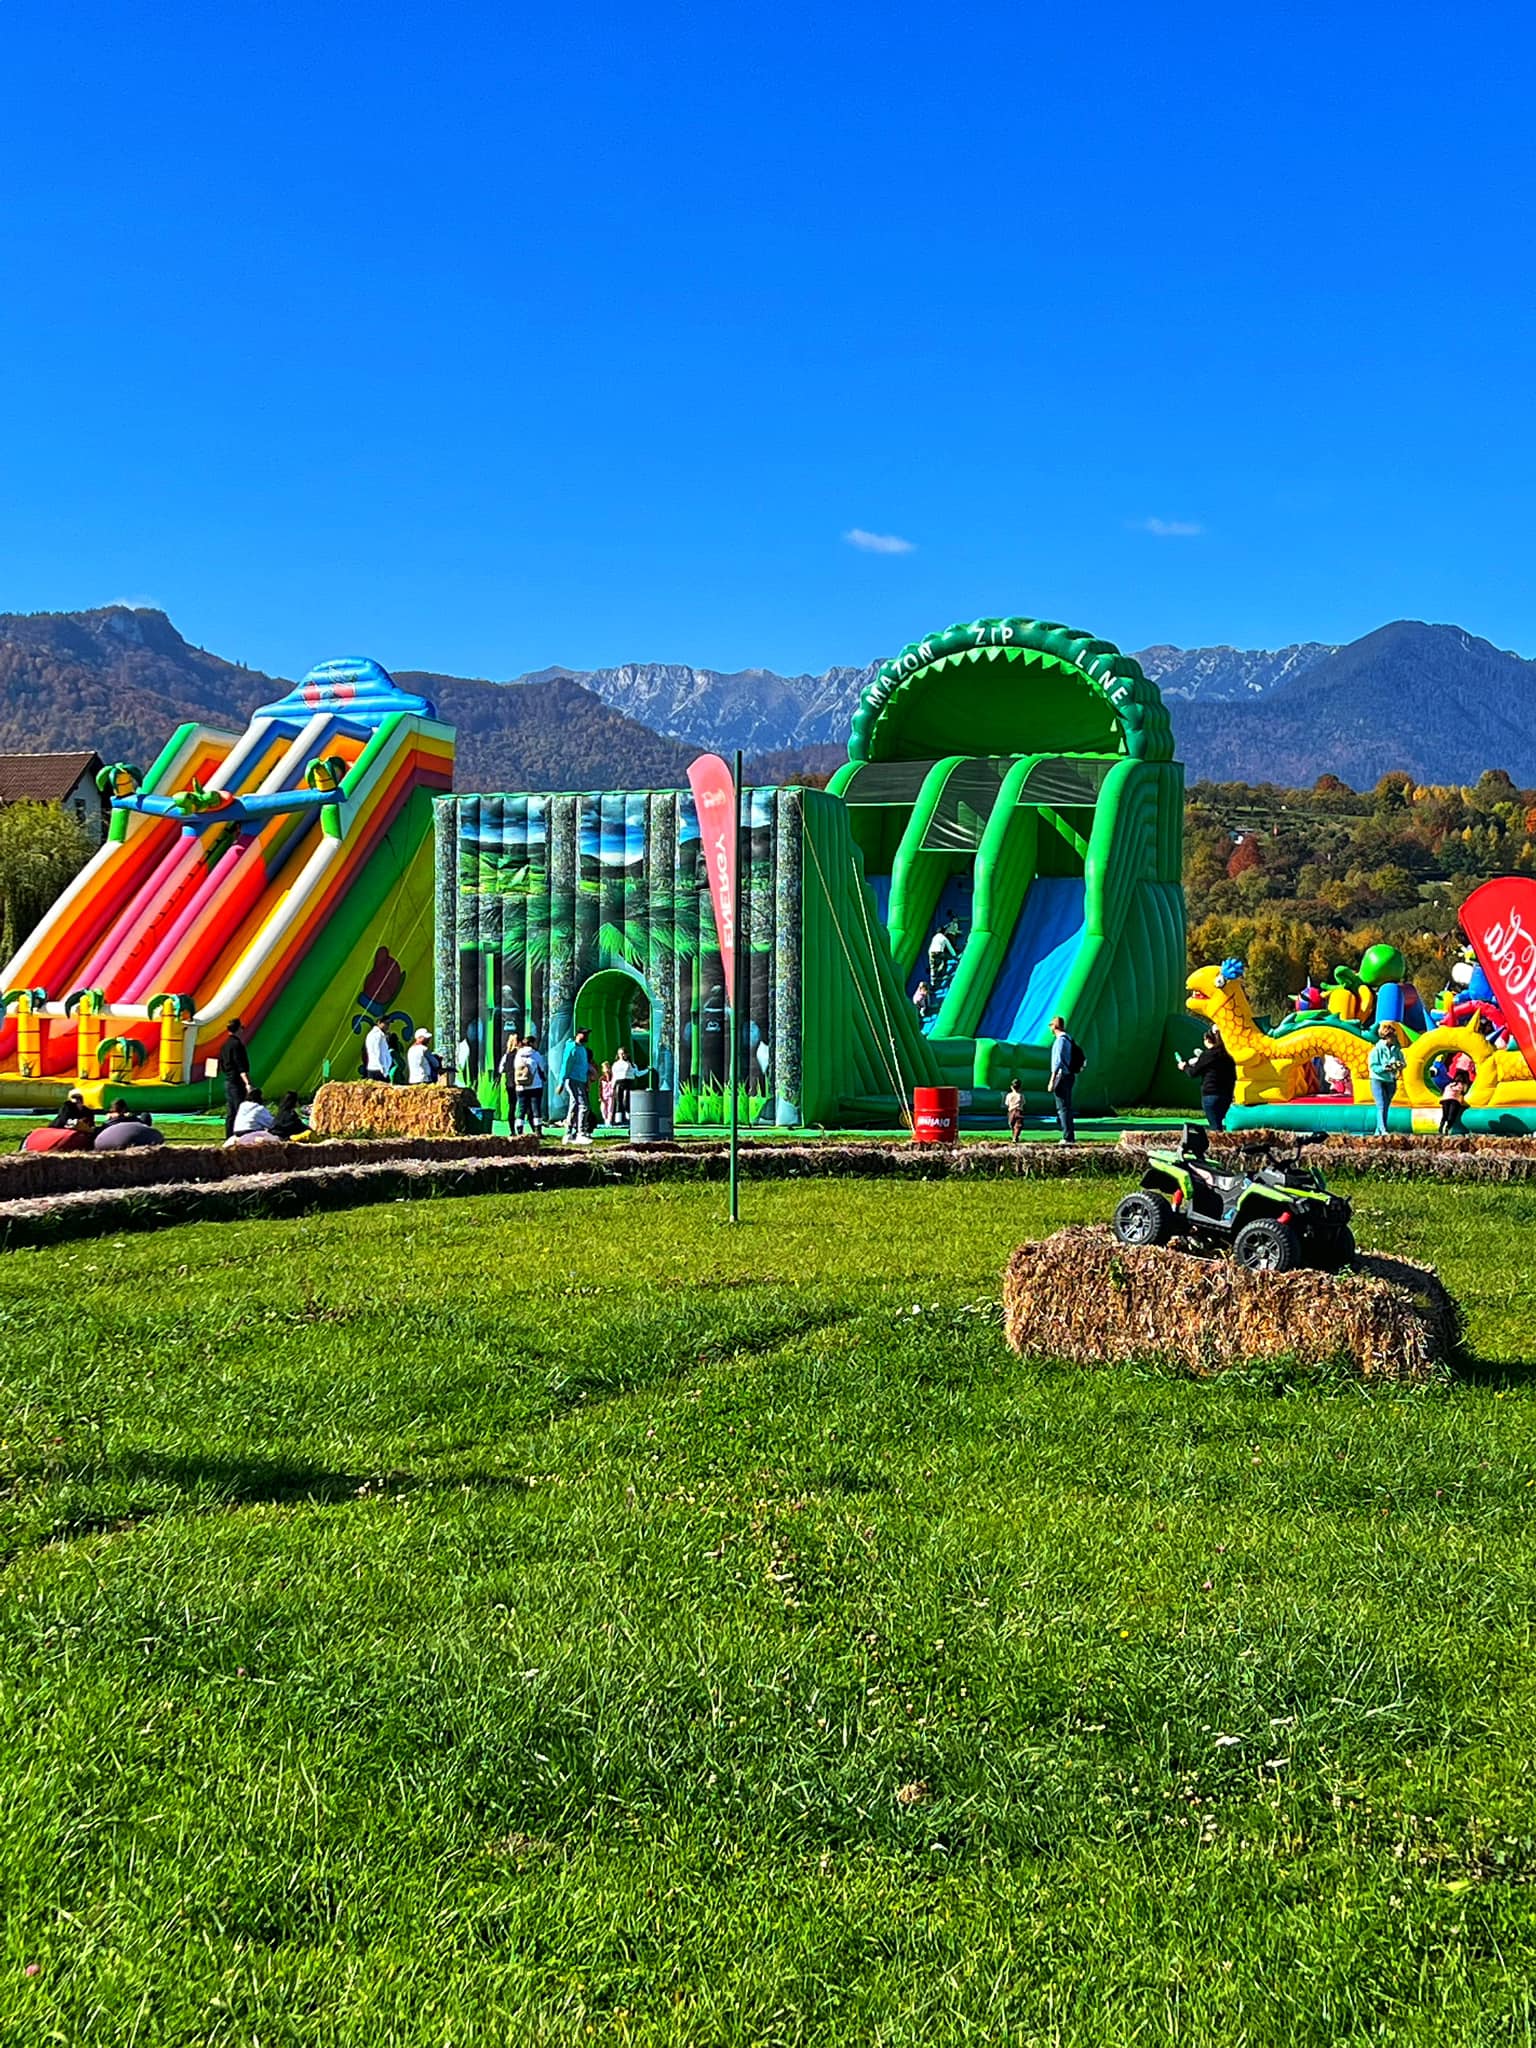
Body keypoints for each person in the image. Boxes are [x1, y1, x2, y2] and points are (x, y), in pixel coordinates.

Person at [1178, 1027, 1238, 1131]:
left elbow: (1193, 1073)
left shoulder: (1208, 1055)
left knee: (1215, 1127)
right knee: (1219, 1124)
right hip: (1227, 1095)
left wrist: (1184, 1067)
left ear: (1208, 1040)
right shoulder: (1228, 1055)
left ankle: (1221, 1146)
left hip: (1211, 1095)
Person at [1368, 1021, 1406, 1136]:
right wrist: (1385, 1068)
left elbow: (1404, 1062)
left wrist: (1400, 1065)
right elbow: (1373, 1066)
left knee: (1386, 1105)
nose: (1394, 1039)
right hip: (1378, 1079)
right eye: (1392, 1036)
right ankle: (1383, 1130)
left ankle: (1378, 1130)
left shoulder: (1396, 1050)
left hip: (1391, 1080)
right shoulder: (1376, 1050)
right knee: (1381, 1105)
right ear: (1386, 1037)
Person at [558, 1028, 594, 1144]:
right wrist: (561, 1083)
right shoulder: (572, 1047)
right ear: (578, 1035)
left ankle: (568, 1134)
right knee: (584, 1106)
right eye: (585, 1034)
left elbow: (583, 1065)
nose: (587, 1037)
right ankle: (580, 1133)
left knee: (574, 1106)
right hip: (574, 1080)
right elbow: (565, 1065)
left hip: (581, 1080)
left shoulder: (582, 1049)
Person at [1048, 1014, 1079, 1144]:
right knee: (1066, 1106)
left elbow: (1057, 1061)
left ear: (1055, 1026)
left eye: (1050, 1025)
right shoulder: (1068, 1039)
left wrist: (1052, 1079)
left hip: (1062, 1076)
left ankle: (1067, 1137)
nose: (1050, 1028)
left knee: (1062, 1107)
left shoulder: (1060, 1040)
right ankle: (1069, 1134)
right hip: (1069, 1075)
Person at [218, 1019, 251, 1137]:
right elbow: (241, 1065)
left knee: (231, 1112)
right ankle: (239, 1135)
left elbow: (221, 1063)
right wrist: (247, 1083)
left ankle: (229, 1135)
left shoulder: (225, 1045)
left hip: (228, 1080)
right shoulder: (237, 1045)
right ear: (238, 1029)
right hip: (237, 1082)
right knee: (239, 1110)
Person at [510, 1035, 546, 1138]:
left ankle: (519, 1131)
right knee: (536, 1108)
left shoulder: (518, 1054)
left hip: (520, 1086)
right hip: (535, 1085)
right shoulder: (536, 1054)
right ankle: (538, 1131)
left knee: (521, 1108)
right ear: (531, 1043)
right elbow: (542, 1068)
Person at [94, 1100, 165, 1150]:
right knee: (145, 1115)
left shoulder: (109, 1121)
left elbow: (101, 1130)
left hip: (117, 1133)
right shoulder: (130, 1118)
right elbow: (141, 1122)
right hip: (137, 1133)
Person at [927, 922, 958, 990]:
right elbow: (949, 947)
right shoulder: (943, 937)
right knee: (946, 958)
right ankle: (944, 972)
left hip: (931, 952)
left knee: (932, 968)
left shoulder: (935, 937)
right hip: (938, 952)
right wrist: (954, 955)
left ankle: (933, 983)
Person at [1439, 1067, 1469, 1136]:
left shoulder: (1450, 1084)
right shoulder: (1462, 1085)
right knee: (1451, 1116)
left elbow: (1444, 1091)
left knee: (1445, 1115)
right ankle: (1447, 1128)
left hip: (1446, 1099)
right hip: (1453, 1100)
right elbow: (1464, 1092)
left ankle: (1442, 1127)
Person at [610, 1045, 636, 1124]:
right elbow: (614, 1076)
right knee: (618, 1101)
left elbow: (637, 1073)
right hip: (618, 1083)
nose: (622, 1055)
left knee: (626, 1100)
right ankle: (618, 1119)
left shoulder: (631, 1064)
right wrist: (612, 1086)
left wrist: (647, 1070)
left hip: (628, 1082)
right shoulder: (615, 1064)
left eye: (623, 1053)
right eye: (620, 1054)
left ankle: (628, 1117)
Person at [1004, 1077, 1025, 1144]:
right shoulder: (1021, 1095)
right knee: (1018, 1125)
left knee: (1012, 1124)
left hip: (1011, 1111)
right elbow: (1023, 1102)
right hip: (1019, 1111)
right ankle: (1015, 1137)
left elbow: (1006, 1103)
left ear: (1011, 1087)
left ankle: (1014, 1136)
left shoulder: (1009, 1095)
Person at [598, 1061, 614, 1128]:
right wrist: (600, 1097)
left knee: (610, 1109)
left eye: (607, 1067)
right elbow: (600, 1088)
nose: (606, 1069)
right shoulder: (602, 1078)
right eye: (605, 1068)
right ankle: (605, 1119)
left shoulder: (613, 1077)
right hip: (604, 1096)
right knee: (603, 1109)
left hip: (611, 1095)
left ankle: (609, 1121)